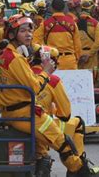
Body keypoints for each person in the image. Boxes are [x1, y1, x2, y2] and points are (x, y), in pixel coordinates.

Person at [0, 14, 99, 177]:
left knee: (61, 141)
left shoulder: (5, 57)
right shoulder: (16, 59)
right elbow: (34, 87)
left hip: (15, 111)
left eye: (29, 30)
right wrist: (46, 72)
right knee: (63, 143)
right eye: (22, 31)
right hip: (24, 113)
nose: (28, 34)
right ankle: (82, 172)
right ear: (12, 35)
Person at [29, 45, 88, 176]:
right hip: (43, 126)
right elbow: (65, 114)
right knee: (78, 123)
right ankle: (77, 166)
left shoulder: (24, 75)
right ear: (51, 62)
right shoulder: (53, 80)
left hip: (20, 121)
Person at [34, 0, 82, 70]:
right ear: (64, 8)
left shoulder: (45, 24)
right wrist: (76, 58)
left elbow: (35, 41)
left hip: (52, 62)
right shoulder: (72, 23)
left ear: (52, 9)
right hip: (70, 61)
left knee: (54, 81)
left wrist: (45, 51)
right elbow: (77, 45)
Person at [77, 0, 99, 74]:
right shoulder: (95, 23)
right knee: (91, 80)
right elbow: (98, 42)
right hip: (91, 56)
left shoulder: (75, 22)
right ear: (92, 9)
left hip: (78, 55)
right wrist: (89, 54)